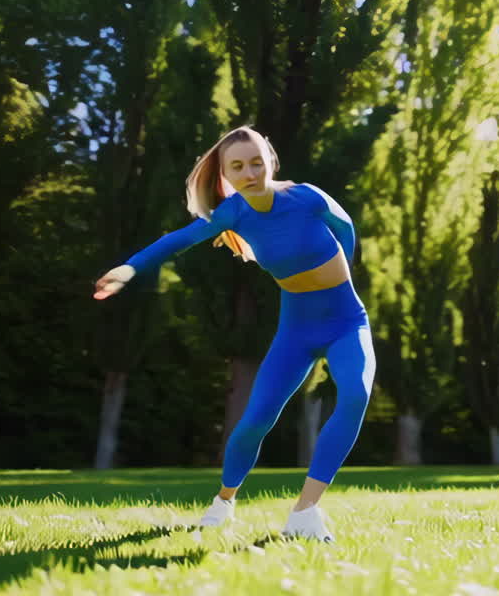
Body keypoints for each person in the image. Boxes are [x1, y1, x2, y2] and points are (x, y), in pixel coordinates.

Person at [93, 125, 374, 543]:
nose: (249, 172)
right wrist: (130, 268)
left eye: (256, 162)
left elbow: (345, 224)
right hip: (296, 329)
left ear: (271, 162)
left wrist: (347, 266)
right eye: (237, 167)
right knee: (255, 421)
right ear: (225, 174)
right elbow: (178, 240)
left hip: (347, 319)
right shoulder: (233, 215)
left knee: (355, 394)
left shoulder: (306, 196)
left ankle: (305, 512)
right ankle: (224, 501)